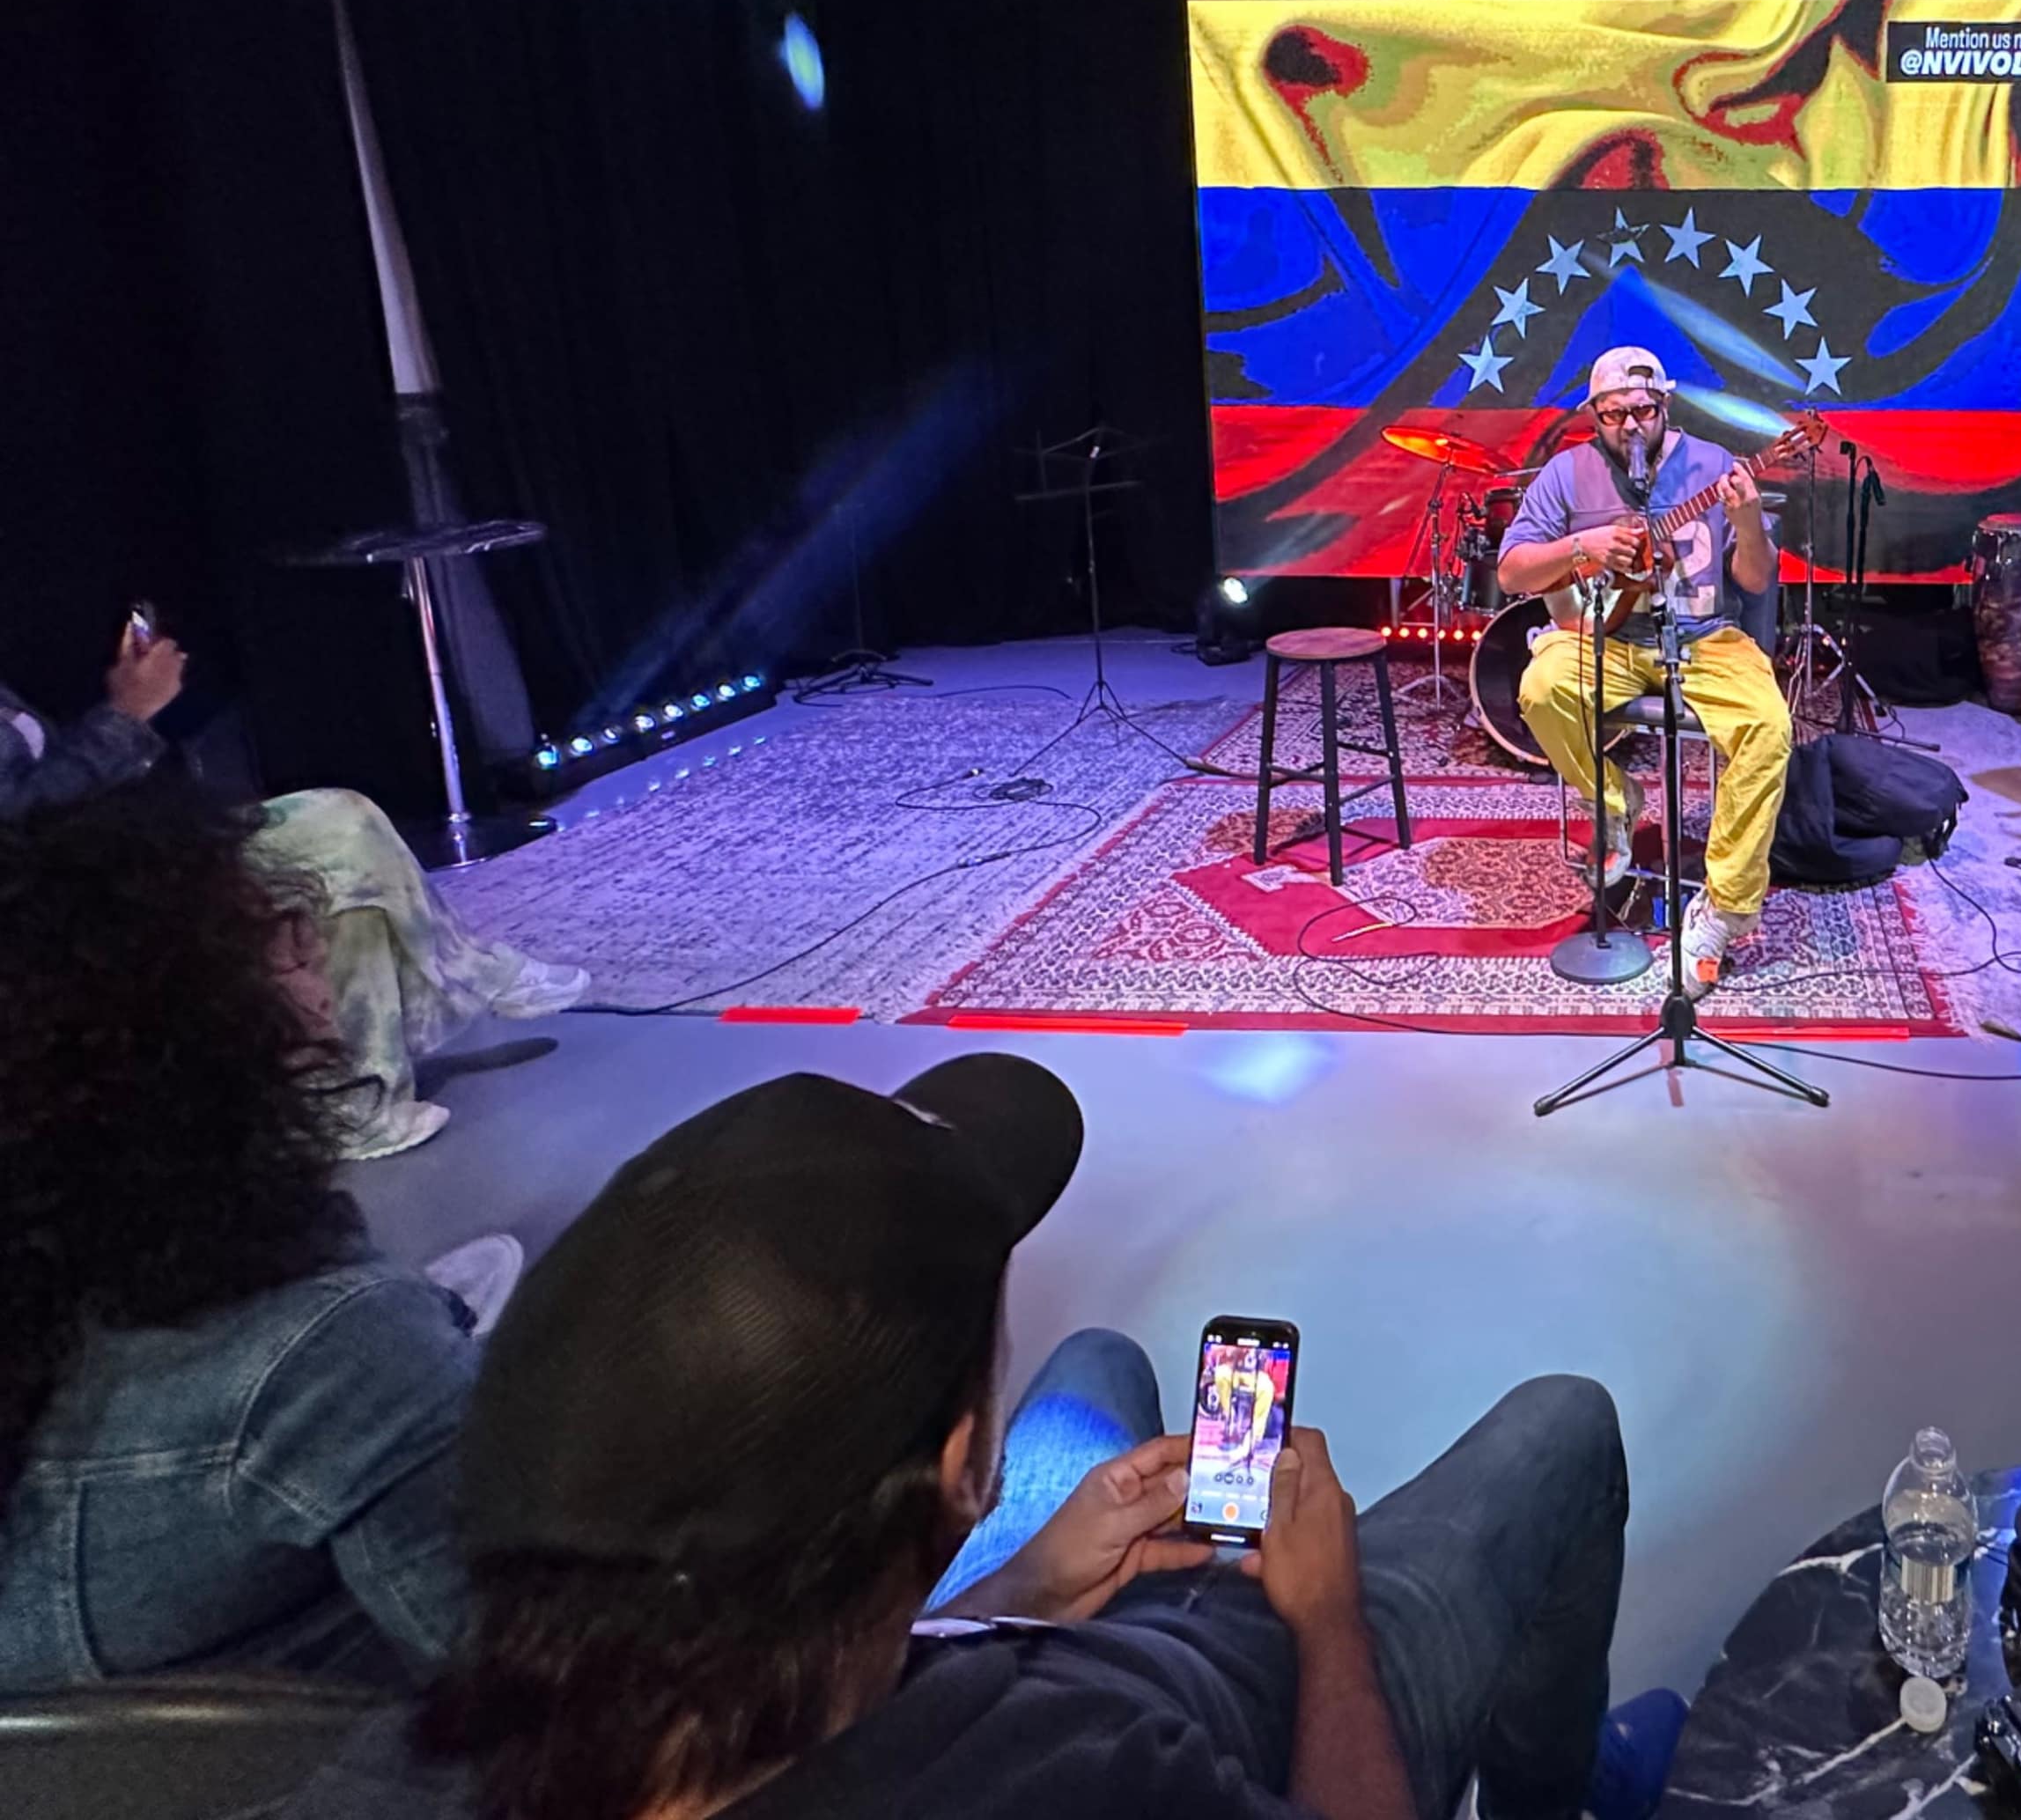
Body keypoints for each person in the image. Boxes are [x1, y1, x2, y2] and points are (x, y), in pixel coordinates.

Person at [284, 1052, 1648, 1820]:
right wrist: (1326, 1621)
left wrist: (1001, 1597)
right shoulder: (1071, 1784)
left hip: (997, 1628)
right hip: (1246, 1685)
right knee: (1561, 1431)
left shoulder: (436, 1748)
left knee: (1101, 1368)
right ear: (952, 1475)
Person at [0, 790, 523, 1689]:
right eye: (283, 935)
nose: (317, 954)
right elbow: (537, 1697)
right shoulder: (326, 1351)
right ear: (201, 1022)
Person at [2, 615, 584, 1155]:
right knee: (338, 837)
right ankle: (462, 974)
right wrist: (127, 715)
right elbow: (19, 818)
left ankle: (354, 1099)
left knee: (347, 839)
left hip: (111, 855)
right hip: (54, 897)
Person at [1496, 344, 1789, 989]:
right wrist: (1583, 545)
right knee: (1542, 689)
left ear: (1665, 405)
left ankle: (1724, 909)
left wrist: (1745, 521)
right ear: (1593, 416)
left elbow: (1757, 580)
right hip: (1609, 637)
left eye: (1642, 411)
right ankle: (1613, 797)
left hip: (1707, 636)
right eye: (1612, 415)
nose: (1629, 427)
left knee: (1769, 725)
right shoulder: (1567, 474)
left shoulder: (1715, 465)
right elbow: (1513, 571)